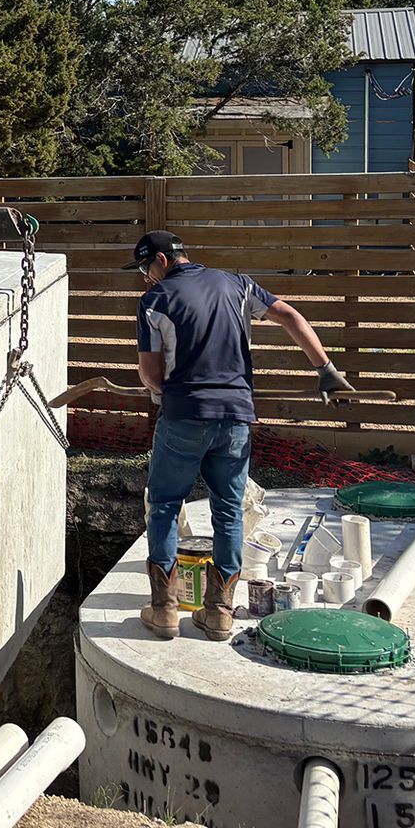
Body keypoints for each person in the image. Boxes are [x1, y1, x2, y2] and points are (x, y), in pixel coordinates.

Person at [128, 230, 353, 641]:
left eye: (145, 267)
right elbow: (289, 315)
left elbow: (150, 374)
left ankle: (164, 610)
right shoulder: (238, 284)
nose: (145, 277)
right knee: (228, 510)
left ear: (161, 260)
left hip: (183, 417)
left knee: (163, 504)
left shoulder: (155, 301)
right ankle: (219, 614)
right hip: (234, 417)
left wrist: (166, 394)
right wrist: (324, 369)